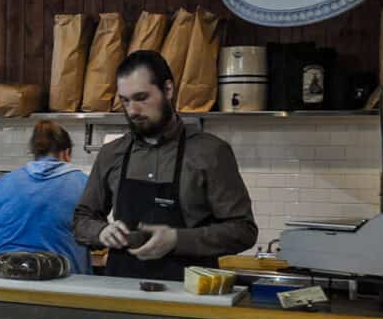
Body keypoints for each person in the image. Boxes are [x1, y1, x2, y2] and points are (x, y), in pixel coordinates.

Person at [73, 51, 257, 279]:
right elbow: (82, 220)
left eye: (141, 98)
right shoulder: (112, 153)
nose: (132, 111)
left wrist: (177, 240)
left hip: (189, 297)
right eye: (125, 100)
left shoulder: (210, 152)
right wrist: (101, 232)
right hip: (122, 292)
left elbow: (243, 231)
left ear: (168, 90)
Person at [0, 120, 91, 274]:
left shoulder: (5, 181)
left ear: (35, 153)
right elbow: (94, 237)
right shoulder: (83, 183)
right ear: (66, 153)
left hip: (6, 279)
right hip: (64, 281)